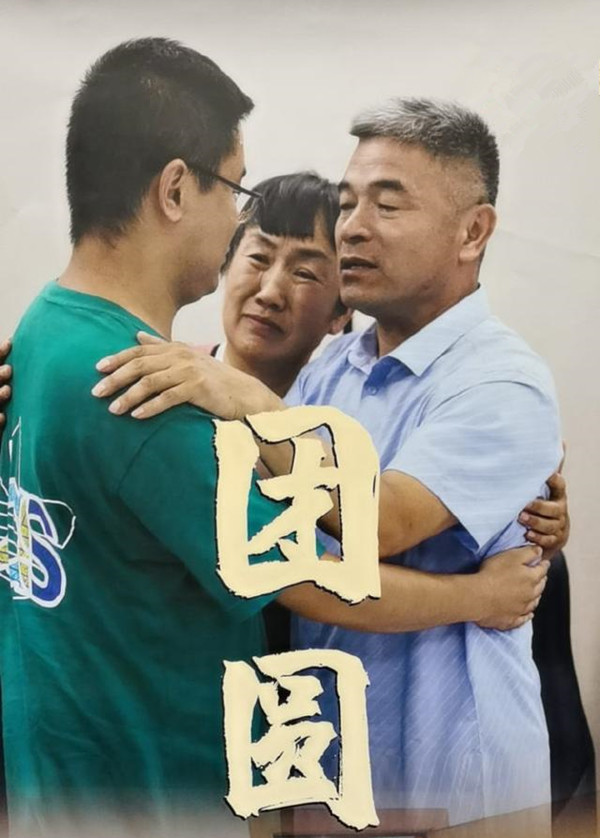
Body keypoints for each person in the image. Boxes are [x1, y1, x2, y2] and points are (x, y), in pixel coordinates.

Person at [0, 44, 548, 838]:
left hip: (451, 789)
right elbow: (300, 568)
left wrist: (247, 398)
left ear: (474, 230)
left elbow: (377, 518)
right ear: (176, 190)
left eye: (386, 205)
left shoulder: (500, 383)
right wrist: (476, 598)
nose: (355, 227)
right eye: (238, 193)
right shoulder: (164, 391)